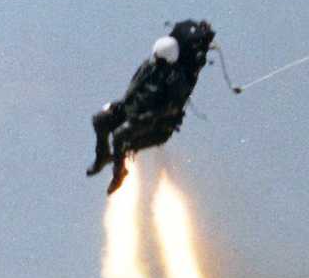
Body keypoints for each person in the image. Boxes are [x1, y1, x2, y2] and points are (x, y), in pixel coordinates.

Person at [86, 20, 216, 194]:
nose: (156, 60)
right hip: (131, 111)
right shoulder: (149, 67)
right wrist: (119, 106)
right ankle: (102, 156)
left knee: (119, 136)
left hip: (155, 123)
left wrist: (148, 116)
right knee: (99, 120)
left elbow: (172, 107)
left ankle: (119, 174)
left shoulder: (176, 79)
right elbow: (133, 89)